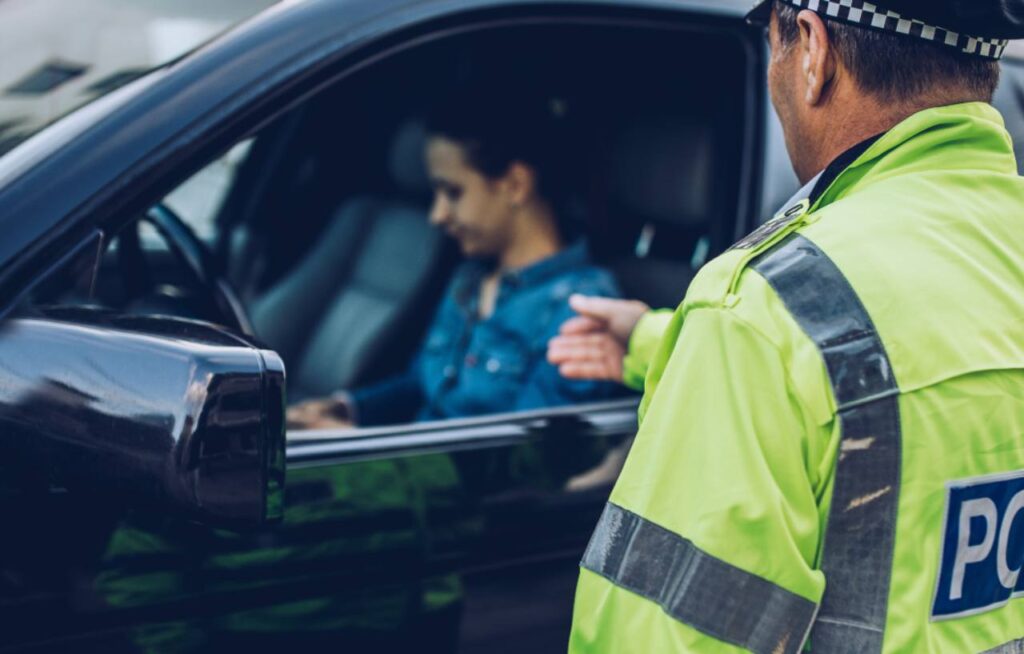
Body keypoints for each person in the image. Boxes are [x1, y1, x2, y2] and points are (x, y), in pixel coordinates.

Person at [562, 1, 1024, 652]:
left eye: (770, 37)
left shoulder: (762, 309)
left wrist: (723, 330)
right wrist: (650, 339)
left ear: (812, 49)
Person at [288, 86, 622, 430]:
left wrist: (351, 446)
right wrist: (344, 410)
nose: (437, 215)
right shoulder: (469, 279)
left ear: (515, 184)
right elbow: (422, 384)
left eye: (453, 192)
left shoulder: (581, 310)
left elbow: (527, 464)